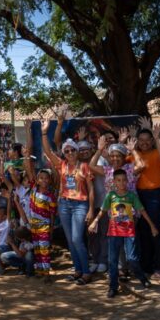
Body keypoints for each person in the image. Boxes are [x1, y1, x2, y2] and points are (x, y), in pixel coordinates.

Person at [89, 169, 157, 298]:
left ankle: (142, 278)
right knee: (112, 261)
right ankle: (113, 286)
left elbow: (141, 211)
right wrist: (95, 222)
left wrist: (152, 226)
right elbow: (103, 211)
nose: (122, 183)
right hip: (114, 233)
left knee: (132, 259)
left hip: (129, 232)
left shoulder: (131, 196)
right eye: (118, 180)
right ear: (114, 182)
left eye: (124, 180)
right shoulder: (110, 196)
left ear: (127, 181)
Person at [42, 119, 94, 285]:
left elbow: (91, 189)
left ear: (77, 151)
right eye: (67, 150)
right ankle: (78, 270)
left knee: (77, 239)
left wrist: (91, 210)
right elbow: (48, 152)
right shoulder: (62, 165)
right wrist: (44, 132)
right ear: (64, 153)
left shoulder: (84, 166)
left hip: (80, 205)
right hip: (64, 204)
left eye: (73, 150)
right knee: (70, 240)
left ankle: (86, 272)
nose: (70, 152)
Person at [133, 118, 160, 279]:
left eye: (147, 140)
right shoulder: (134, 154)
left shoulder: (157, 152)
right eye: (141, 140)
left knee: (155, 229)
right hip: (138, 195)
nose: (144, 143)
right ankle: (146, 266)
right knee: (142, 232)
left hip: (156, 195)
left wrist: (157, 137)